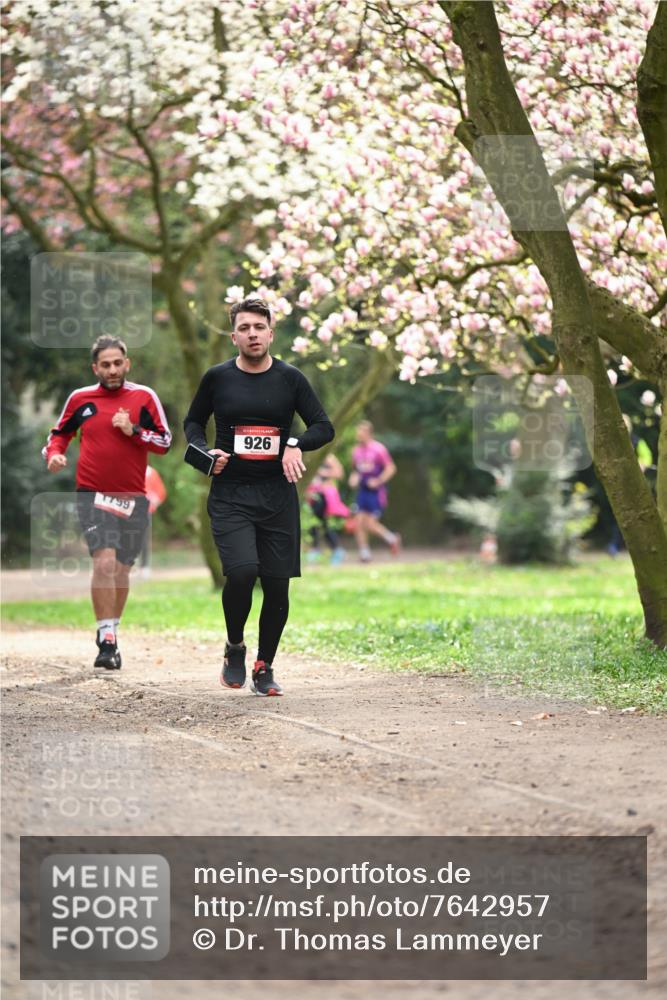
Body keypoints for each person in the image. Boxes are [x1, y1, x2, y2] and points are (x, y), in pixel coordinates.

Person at [183, 296, 334, 696]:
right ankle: (235, 646)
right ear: (234, 336)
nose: (253, 334)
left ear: (271, 332)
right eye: (245, 328)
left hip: (277, 496)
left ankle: (264, 665)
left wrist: (295, 443)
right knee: (243, 572)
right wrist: (204, 454)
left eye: (259, 327)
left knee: (278, 584)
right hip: (231, 493)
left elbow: (323, 426)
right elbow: (194, 422)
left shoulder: (290, 379)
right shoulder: (217, 378)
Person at [43, 336, 172, 670]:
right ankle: (107, 639)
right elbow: (59, 434)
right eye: (105, 364)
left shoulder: (144, 397)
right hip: (93, 494)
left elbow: (164, 442)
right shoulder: (81, 399)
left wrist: (134, 430)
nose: (112, 370)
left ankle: (111, 629)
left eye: (118, 363)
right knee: (103, 562)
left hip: (133, 497)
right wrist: (55, 454)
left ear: (127, 364)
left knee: (121, 570)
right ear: (95, 368)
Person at [349, 420, 401, 562]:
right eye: (357, 431)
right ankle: (364, 553)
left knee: (370, 524)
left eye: (361, 431)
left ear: (369, 433)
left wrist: (378, 481)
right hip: (362, 492)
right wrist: (353, 478)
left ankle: (391, 539)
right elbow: (356, 471)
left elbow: (391, 468)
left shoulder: (379, 449)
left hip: (376, 493)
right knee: (358, 522)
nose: (358, 434)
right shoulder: (356, 451)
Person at [306, 453, 350, 565]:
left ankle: (336, 551)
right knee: (314, 524)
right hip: (314, 495)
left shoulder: (328, 457)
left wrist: (322, 472)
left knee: (323, 524)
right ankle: (316, 550)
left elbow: (339, 474)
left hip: (324, 496)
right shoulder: (311, 456)